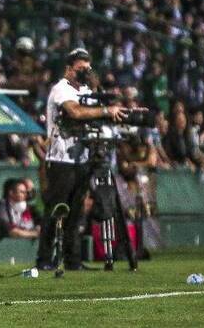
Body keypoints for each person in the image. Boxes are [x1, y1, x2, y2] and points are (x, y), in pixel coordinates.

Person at [36, 48, 128, 271]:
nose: (85, 72)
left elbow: (95, 111)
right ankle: (44, 259)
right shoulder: (60, 89)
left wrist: (98, 91)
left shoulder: (87, 90)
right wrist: (106, 109)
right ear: (69, 68)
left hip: (82, 157)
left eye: (88, 68)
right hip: (61, 158)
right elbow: (75, 112)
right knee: (56, 209)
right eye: (81, 68)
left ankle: (72, 260)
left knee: (76, 213)